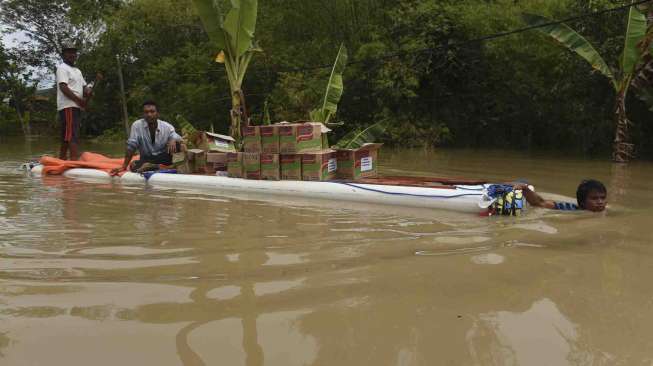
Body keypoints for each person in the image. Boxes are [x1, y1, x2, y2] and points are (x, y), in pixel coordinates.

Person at [111, 101, 183, 174]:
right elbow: (131, 146)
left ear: (158, 113)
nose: (149, 114)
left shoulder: (166, 126)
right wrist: (124, 166)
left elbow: (177, 137)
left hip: (163, 158)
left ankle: (165, 167)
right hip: (147, 159)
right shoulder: (137, 125)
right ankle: (158, 166)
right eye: (146, 112)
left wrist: (173, 139)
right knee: (133, 166)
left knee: (178, 144)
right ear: (143, 114)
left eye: (152, 112)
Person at [56, 43, 93, 161]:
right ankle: (74, 161)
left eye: (74, 52)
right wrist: (79, 101)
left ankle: (62, 159)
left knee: (68, 134)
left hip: (76, 106)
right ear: (63, 55)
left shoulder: (77, 71)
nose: (72, 54)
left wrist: (89, 91)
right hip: (68, 105)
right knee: (72, 135)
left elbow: (84, 87)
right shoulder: (62, 68)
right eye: (69, 52)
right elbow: (63, 87)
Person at [513, 179, 607, 212]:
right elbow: (540, 203)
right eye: (594, 198)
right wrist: (524, 189)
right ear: (582, 202)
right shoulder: (570, 208)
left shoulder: (609, 212)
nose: (600, 202)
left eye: (602, 198)